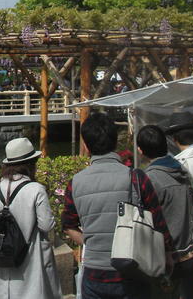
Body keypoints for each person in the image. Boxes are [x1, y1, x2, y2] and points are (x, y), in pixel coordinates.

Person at [62, 112, 173, 299]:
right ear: (115, 143)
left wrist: (91, 240)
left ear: (86, 146)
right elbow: (159, 224)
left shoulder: (75, 183)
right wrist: (168, 254)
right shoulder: (136, 177)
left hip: (94, 273)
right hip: (133, 270)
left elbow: (68, 225)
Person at [0, 137, 62, 298]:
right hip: (29, 258)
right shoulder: (35, 189)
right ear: (31, 163)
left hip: (1, 257)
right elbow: (47, 225)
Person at [138, 125, 193, 299]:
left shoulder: (150, 179)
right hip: (191, 252)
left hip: (167, 258)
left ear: (140, 150)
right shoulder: (183, 171)